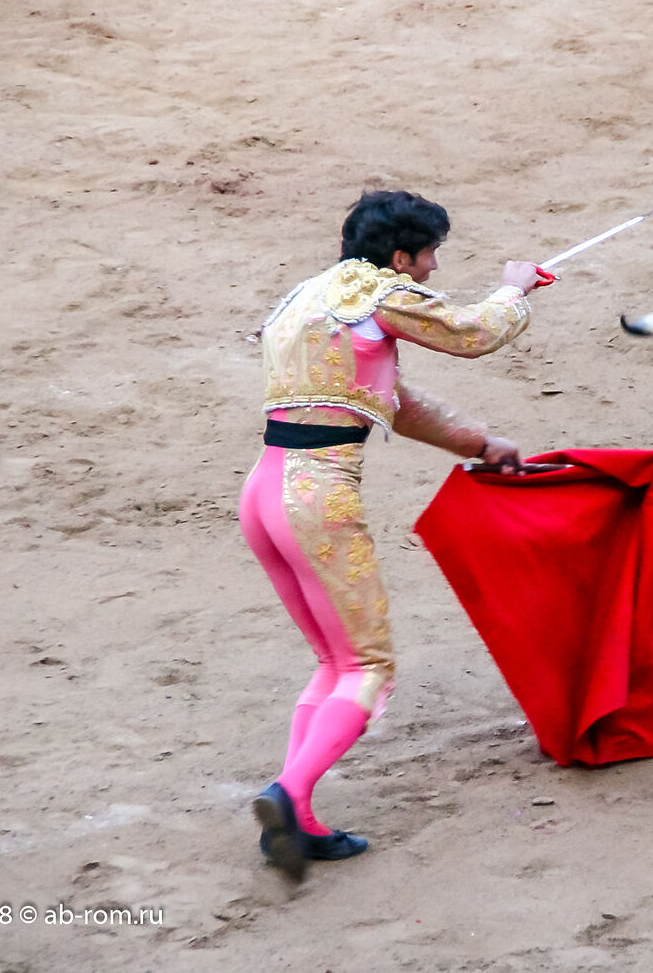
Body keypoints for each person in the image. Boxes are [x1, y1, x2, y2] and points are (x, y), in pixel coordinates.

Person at [239, 189, 549, 881]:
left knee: (335, 661)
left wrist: (479, 442)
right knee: (367, 668)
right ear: (401, 256)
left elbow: (393, 402)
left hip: (263, 492)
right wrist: (515, 287)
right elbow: (474, 333)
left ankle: (298, 818)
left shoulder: (309, 299)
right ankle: (287, 792)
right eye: (430, 254)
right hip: (315, 499)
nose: (434, 267)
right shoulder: (378, 293)